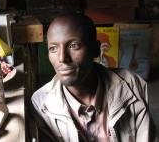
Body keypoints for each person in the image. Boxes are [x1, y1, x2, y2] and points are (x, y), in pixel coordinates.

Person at [31, 12, 158, 142]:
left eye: (74, 46)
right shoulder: (42, 104)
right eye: (53, 48)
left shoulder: (131, 85)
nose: (62, 58)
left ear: (96, 49)